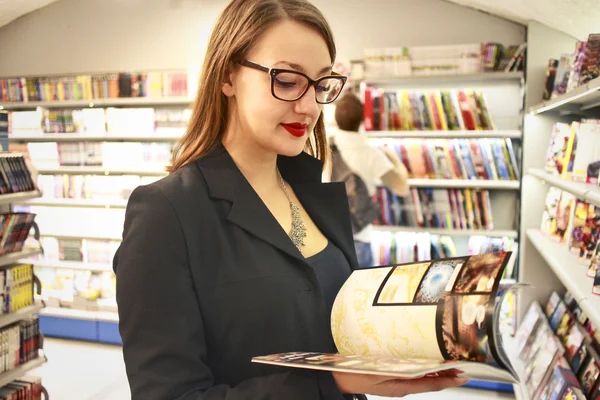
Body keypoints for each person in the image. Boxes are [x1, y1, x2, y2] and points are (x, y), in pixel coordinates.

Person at [113, 0, 467, 399]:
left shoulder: (313, 190)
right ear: (228, 75)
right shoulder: (167, 213)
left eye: (321, 84)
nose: (309, 106)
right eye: (286, 80)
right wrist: (327, 381)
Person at [333, 93, 409, 267]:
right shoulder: (371, 154)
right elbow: (401, 188)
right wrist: (395, 159)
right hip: (359, 235)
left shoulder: (325, 148)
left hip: (331, 237)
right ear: (361, 120)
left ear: (336, 119)